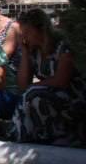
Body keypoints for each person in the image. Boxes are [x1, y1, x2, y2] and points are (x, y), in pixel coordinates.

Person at [11, 8, 86, 147]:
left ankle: (57, 136)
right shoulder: (34, 51)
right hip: (51, 91)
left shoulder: (63, 46)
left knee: (33, 95)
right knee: (28, 95)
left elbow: (61, 80)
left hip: (73, 93)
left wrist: (33, 87)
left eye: (27, 32)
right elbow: (22, 85)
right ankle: (26, 137)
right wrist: (25, 54)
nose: (24, 36)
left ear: (41, 30)